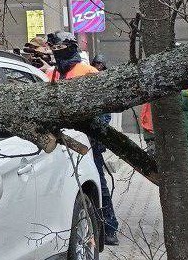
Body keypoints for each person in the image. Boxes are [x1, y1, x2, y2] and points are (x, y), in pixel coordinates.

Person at [47, 31, 119, 245]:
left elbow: (105, 108)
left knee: (97, 182)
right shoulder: (54, 74)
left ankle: (109, 227)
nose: (55, 54)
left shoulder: (87, 71)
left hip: (88, 139)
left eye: (58, 50)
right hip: (64, 139)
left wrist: (96, 132)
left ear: (68, 48)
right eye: (54, 51)